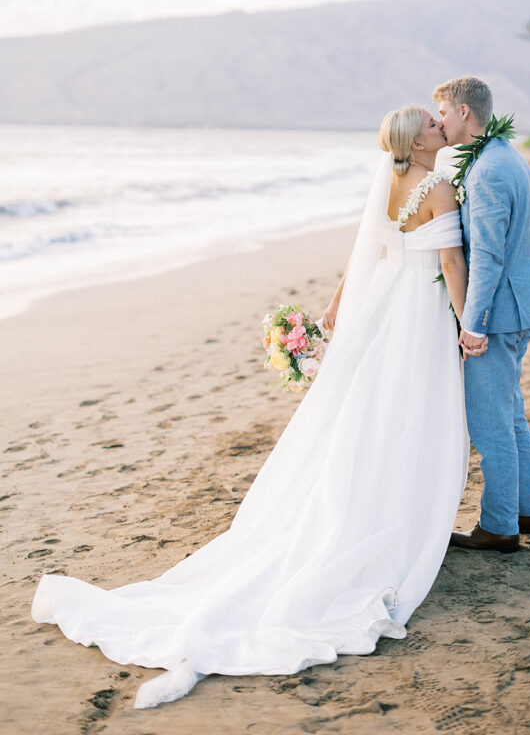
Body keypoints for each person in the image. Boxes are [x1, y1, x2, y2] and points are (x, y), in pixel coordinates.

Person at [31, 105, 473, 709]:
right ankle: (390, 516)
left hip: (381, 314)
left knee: (366, 418)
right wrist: (468, 324)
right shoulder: (439, 185)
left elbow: (362, 258)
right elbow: (450, 261)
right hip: (416, 316)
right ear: (417, 141)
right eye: (429, 123)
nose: (437, 127)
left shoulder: (390, 182)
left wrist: (335, 314)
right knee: (402, 417)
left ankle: (375, 505)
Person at [434, 77, 530, 554]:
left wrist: (473, 324)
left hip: (498, 314)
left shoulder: (486, 172)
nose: (438, 121)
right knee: (511, 413)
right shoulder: (507, 157)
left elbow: (487, 256)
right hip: (521, 305)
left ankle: (500, 526)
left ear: (464, 111)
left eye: (441, 111)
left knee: (490, 424)